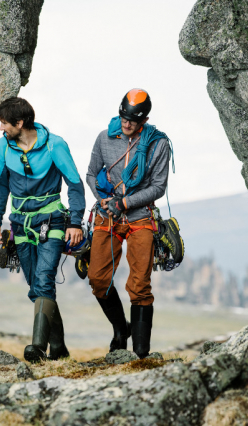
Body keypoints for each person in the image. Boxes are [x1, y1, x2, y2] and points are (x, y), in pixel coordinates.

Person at [0, 97, 86, 362]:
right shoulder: (3, 147)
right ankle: (60, 349)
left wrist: (75, 223)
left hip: (52, 221)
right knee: (36, 286)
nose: (1, 129)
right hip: (19, 223)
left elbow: (75, 185)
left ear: (20, 123)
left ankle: (38, 348)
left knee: (43, 280)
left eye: (5, 123)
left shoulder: (55, 145)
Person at [86, 89, 170, 359]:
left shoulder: (158, 145)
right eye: (124, 116)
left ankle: (141, 355)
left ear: (144, 119)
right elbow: (90, 173)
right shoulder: (104, 137)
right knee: (98, 278)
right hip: (107, 215)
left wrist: (125, 203)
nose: (127, 123)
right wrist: (104, 200)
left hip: (140, 216)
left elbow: (158, 187)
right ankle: (121, 329)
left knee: (139, 285)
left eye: (133, 119)